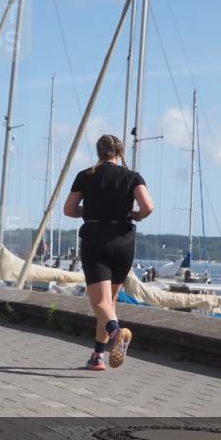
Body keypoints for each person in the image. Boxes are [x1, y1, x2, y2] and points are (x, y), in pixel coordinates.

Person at [63, 134, 154, 371]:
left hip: (96, 238)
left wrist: (90, 209)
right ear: (119, 152)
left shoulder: (86, 175)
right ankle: (97, 356)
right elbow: (148, 206)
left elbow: (69, 210)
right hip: (124, 241)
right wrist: (136, 215)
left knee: (100, 303)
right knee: (109, 303)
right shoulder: (132, 177)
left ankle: (116, 334)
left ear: (98, 152)